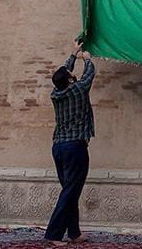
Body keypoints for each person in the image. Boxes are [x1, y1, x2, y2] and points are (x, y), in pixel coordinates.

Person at [44, 39, 96, 246]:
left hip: (58, 147)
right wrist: (87, 59)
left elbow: (63, 74)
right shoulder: (78, 90)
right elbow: (89, 75)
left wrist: (74, 54)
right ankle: (53, 234)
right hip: (75, 147)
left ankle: (74, 233)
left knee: (70, 190)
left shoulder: (56, 93)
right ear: (70, 79)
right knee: (70, 191)